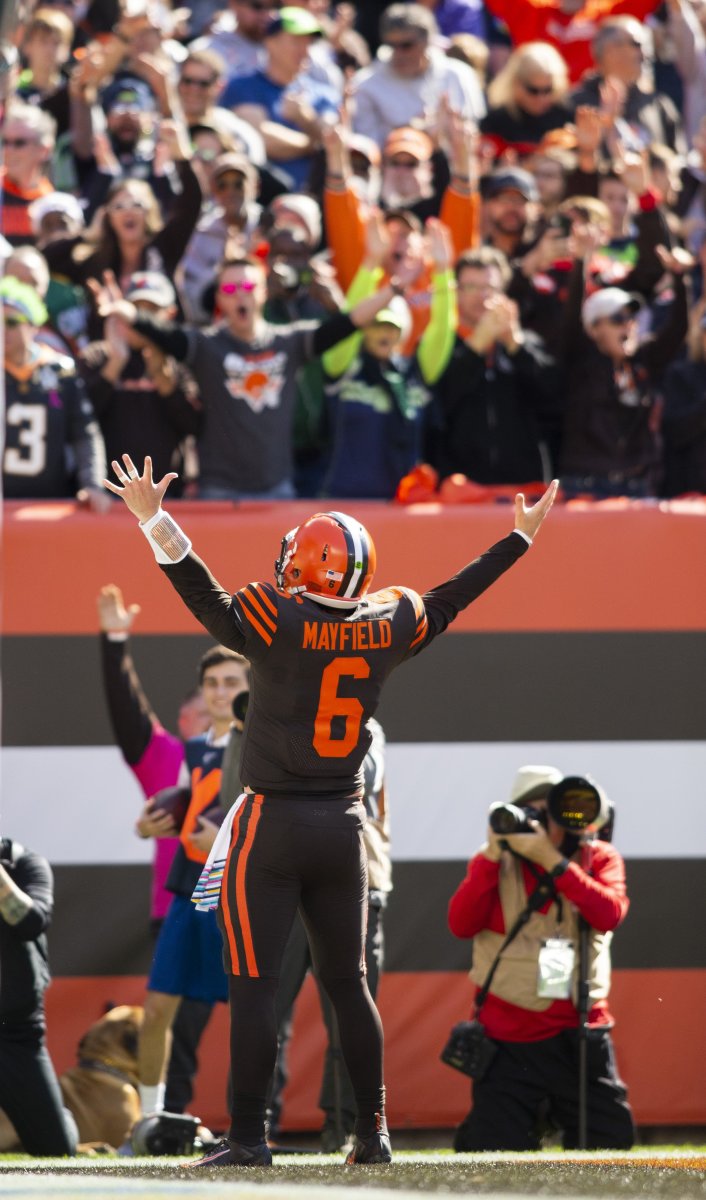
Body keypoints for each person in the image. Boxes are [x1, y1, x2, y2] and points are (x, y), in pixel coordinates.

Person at [103, 450, 559, 1167]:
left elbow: (206, 598)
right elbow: (449, 598)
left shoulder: (276, 618)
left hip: (271, 823)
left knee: (253, 986)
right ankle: (373, 1132)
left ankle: (250, 1138)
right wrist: (518, 540)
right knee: (349, 985)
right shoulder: (387, 624)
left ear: (307, 565)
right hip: (344, 828)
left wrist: (154, 520)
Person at [91, 253, 419, 500]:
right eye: (230, 288)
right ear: (219, 299)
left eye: (248, 286)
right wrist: (129, 312)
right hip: (218, 491)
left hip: (277, 489)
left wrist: (392, 291)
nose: (240, 295)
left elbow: (346, 324)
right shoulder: (207, 345)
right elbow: (164, 333)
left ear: (262, 293)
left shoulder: (289, 341)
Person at [448, 764, 635, 1152]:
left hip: (581, 1034)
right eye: (531, 814)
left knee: (609, 1149)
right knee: (493, 1153)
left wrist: (554, 862)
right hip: (507, 1038)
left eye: (550, 812)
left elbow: (609, 914)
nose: (541, 824)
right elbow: (461, 924)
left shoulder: (597, 857)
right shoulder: (494, 863)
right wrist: (491, 856)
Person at [131, 645, 250, 1121]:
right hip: (189, 888)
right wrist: (148, 823)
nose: (220, 692)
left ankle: (252, 1125)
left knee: (253, 1012)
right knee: (158, 1007)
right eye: (212, 683)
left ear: (250, 689)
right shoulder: (195, 749)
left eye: (232, 683)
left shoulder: (264, 743)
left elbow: (271, 813)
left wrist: (225, 831)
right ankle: (148, 1123)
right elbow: (179, 809)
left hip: (240, 891)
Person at [268, 717, 391, 1153]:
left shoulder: (363, 722)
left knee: (347, 1006)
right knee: (261, 1003)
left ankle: (350, 1129)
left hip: (353, 882)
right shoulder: (264, 716)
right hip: (279, 877)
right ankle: (252, 1128)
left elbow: (364, 774)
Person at [1, 275, 109, 511]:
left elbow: (84, 432)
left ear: (32, 325)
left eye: (11, 322)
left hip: (49, 504)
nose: (3, 331)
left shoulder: (60, 371)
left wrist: (92, 483)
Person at [0, 835, 78, 1156]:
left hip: (15, 1032)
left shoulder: (24, 863)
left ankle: (59, 1113)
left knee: (56, 1149)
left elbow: (33, 923)